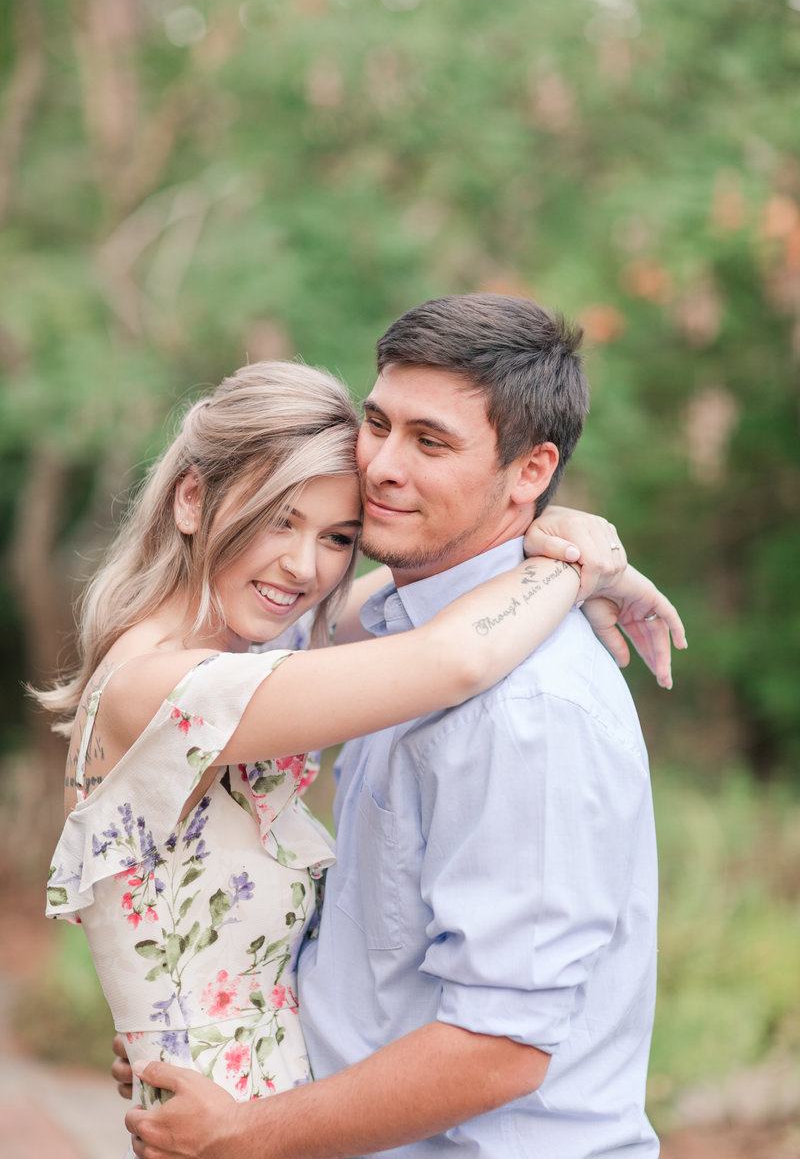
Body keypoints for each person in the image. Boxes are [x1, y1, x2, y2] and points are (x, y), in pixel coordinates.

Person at [41, 354, 677, 1156]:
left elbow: (423, 600)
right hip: (234, 1133)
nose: (305, 567)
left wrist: (561, 538)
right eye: (278, 520)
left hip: (259, 1112)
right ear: (192, 498)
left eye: (339, 537)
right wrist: (583, 565)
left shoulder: (241, 655)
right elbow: (450, 654)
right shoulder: (164, 690)